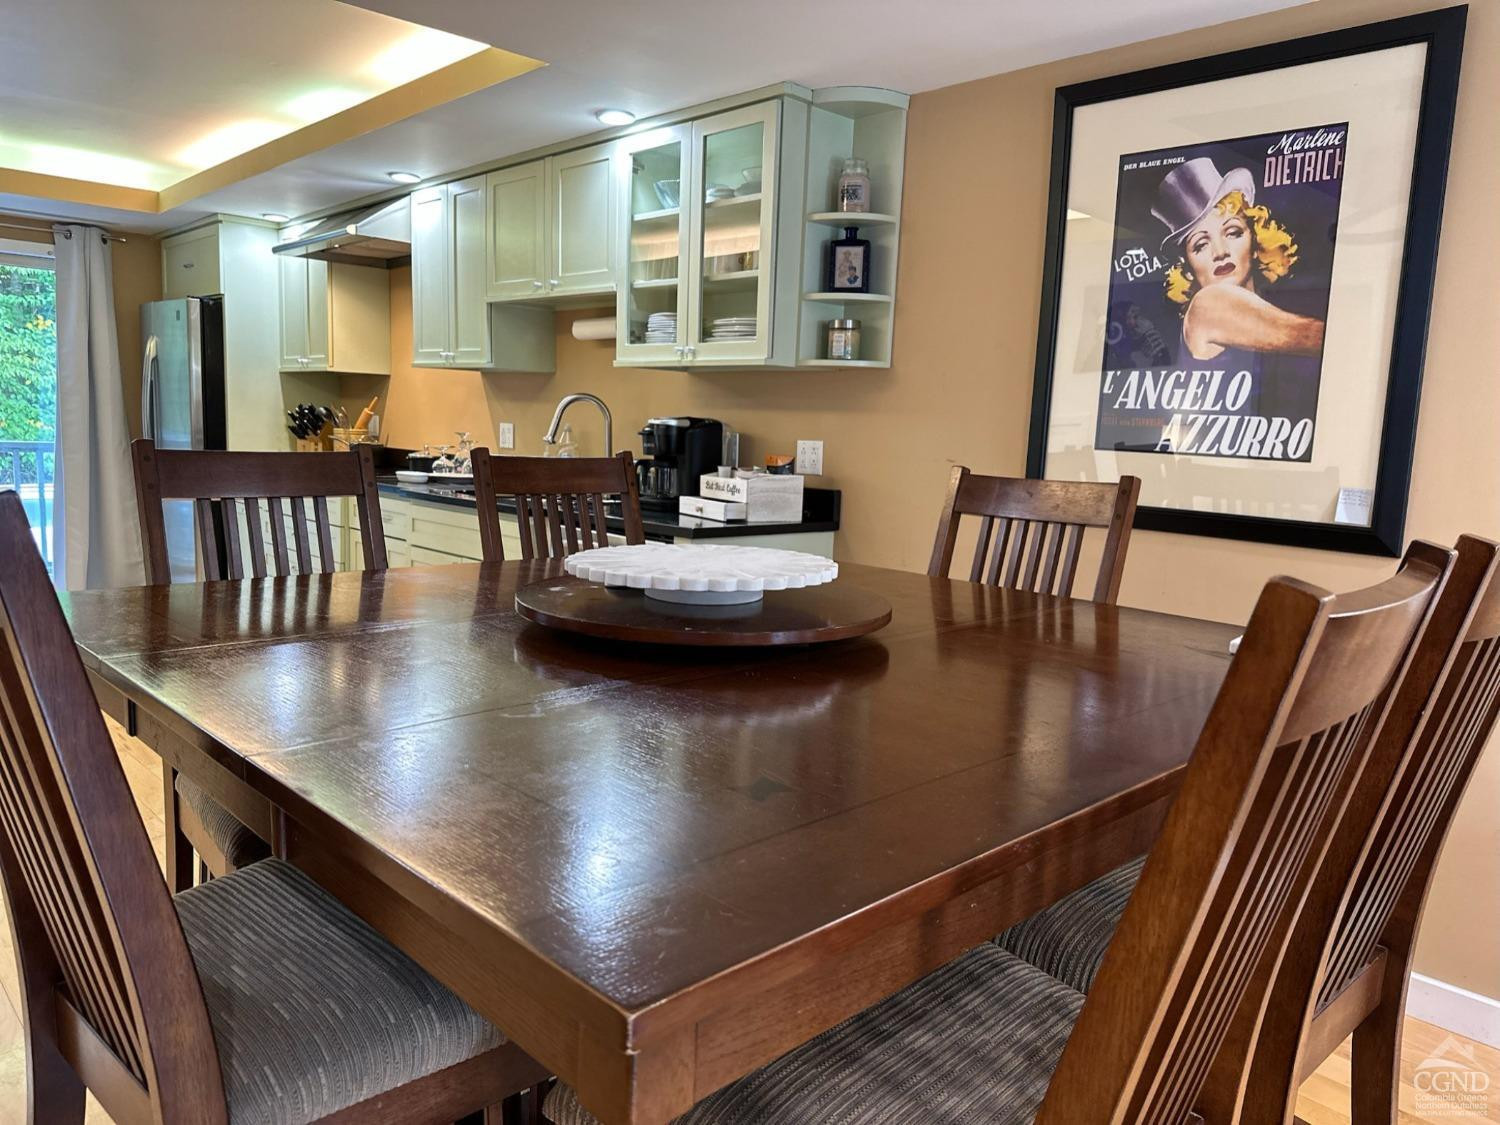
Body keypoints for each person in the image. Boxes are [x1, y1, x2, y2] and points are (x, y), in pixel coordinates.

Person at [1153, 157, 1324, 363]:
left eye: (1232, 233)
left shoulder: (1276, 307)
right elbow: (1319, 339)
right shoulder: (1206, 306)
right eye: (1200, 245)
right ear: (1187, 267)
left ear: (1255, 240)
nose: (1220, 252)